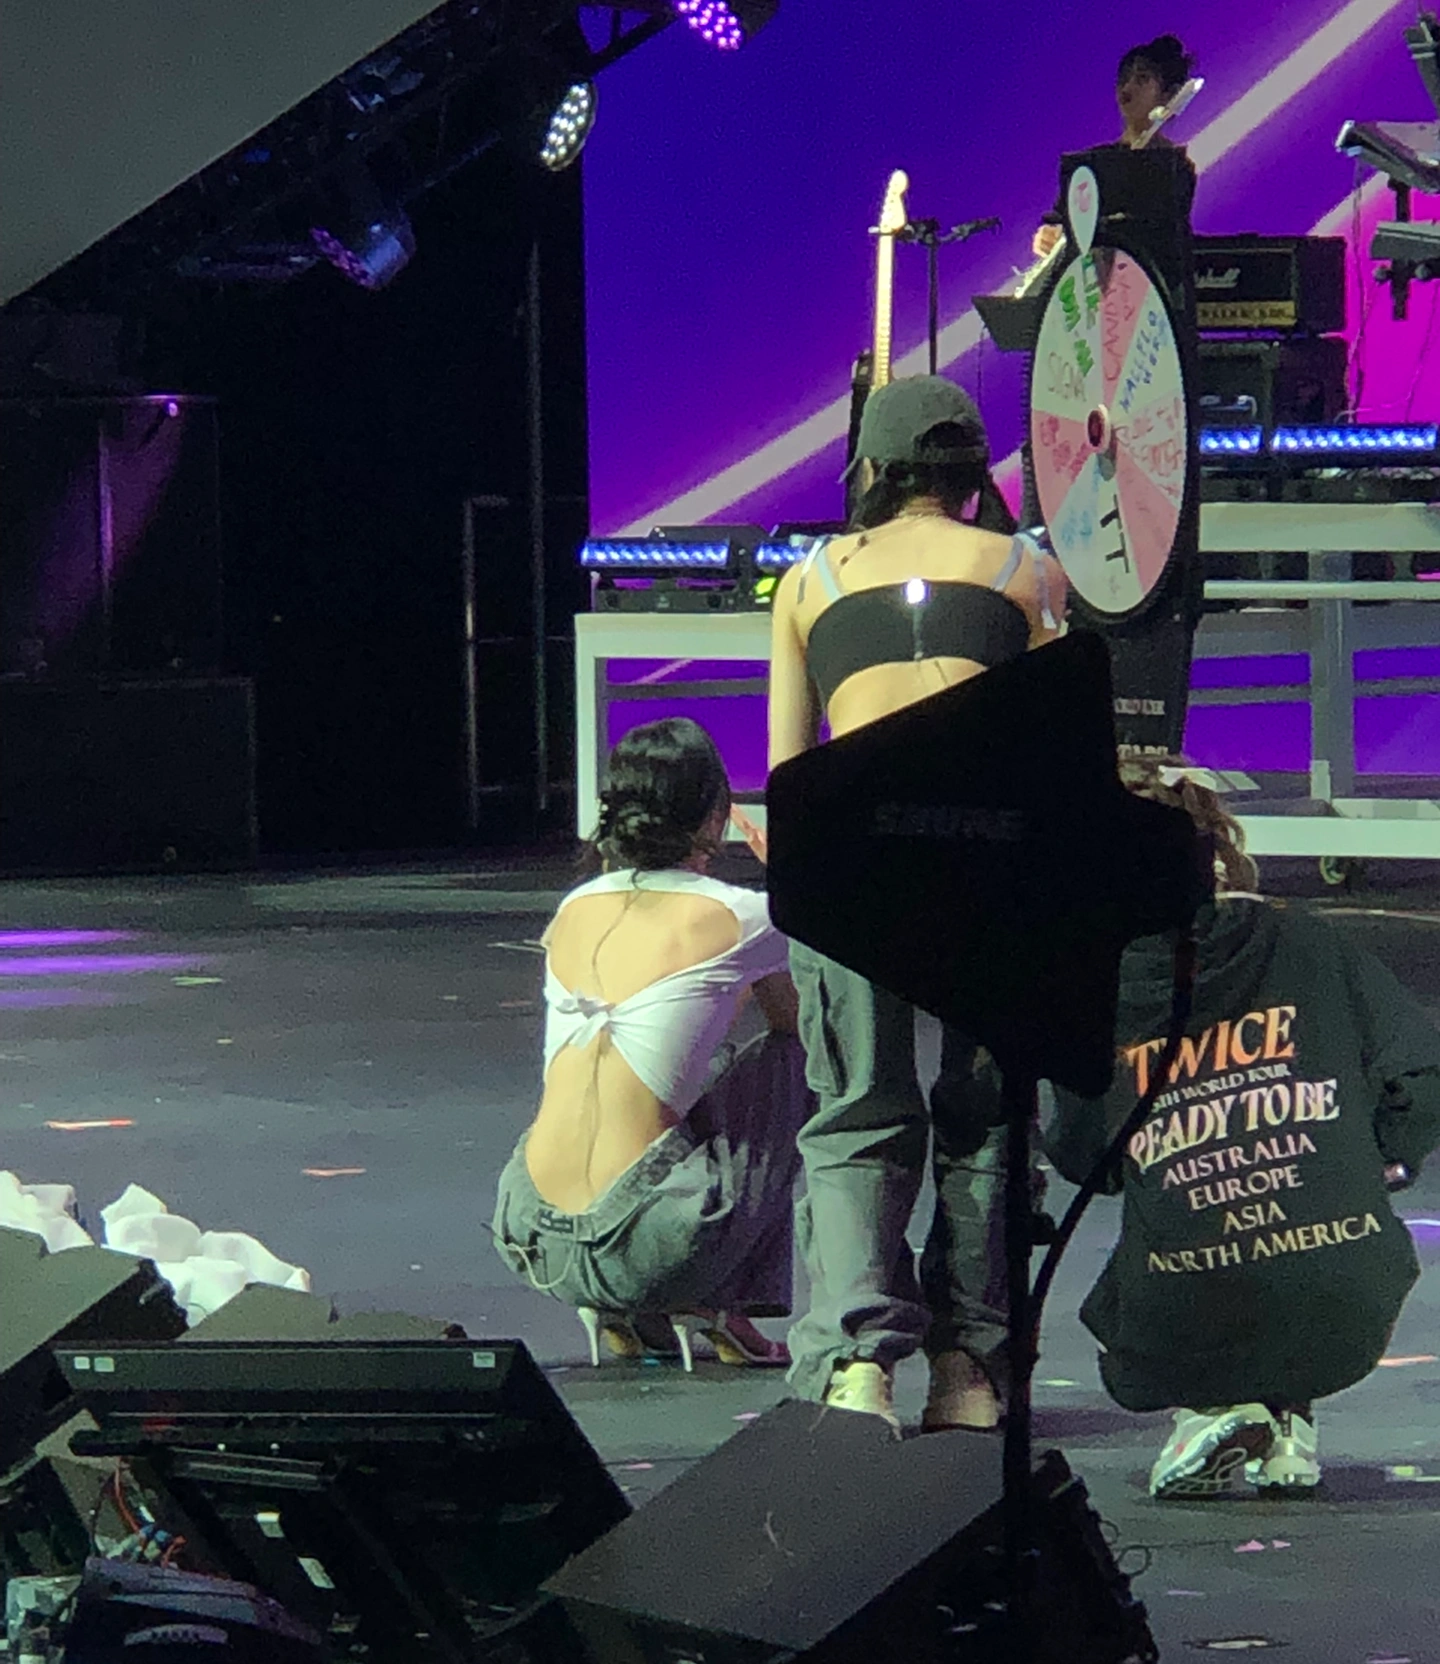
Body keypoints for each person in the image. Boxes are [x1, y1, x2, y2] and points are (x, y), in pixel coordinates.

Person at [768, 373, 1069, 1431]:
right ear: (971, 470)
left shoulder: (808, 581)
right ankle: (970, 1370)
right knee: (987, 1117)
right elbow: (1055, 752)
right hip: (985, 862)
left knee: (857, 1111)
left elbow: (789, 765)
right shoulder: (1028, 571)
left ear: (872, 468)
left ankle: (859, 1364)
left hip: (852, 857)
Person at [1044, 763, 1440, 1497]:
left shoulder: (1094, 982)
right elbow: (1423, 1072)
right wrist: (1385, 1157)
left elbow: (1082, 1156)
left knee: (1152, 1279)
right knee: (1299, 1215)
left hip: (1185, 1305)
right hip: (1350, 1292)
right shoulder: (1305, 939)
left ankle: (1214, 1409)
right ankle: (1289, 1425)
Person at [491, 717, 809, 1369]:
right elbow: (802, 1023)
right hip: (649, 1240)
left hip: (530, 1232)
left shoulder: (576, 905)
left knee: (667, 1070)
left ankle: (622, 1311)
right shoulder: (742, 915)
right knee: (801, 1059)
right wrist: (792, 882)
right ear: (716, 816)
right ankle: (726, 1303)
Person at [1032, 34, 1197, 261]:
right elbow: (1059, 221)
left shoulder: (1176, 167)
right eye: (1123, 79)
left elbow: (1167, 243)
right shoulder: (1091, 162)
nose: (1127, 87)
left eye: (1142, 79)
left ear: (1168, 94)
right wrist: (1049, 235)